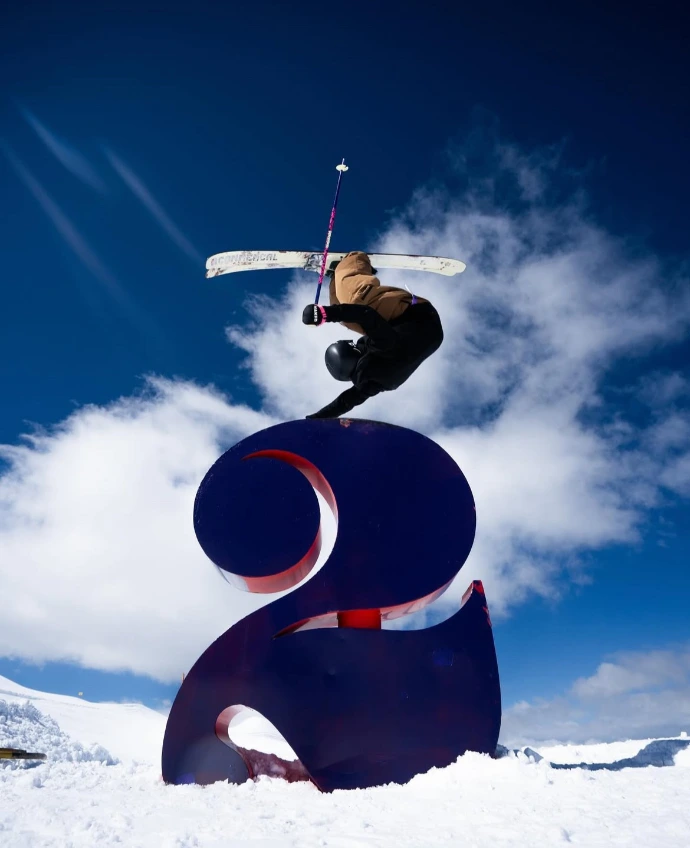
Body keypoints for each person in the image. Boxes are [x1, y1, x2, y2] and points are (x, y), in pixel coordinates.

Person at [301, 251, 444, 418]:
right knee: (357, 300)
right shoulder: (383, 347)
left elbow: (347, 401)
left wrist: (317, 419)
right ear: (352, 352)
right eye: (352, 345)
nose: (355, 343)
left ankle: (337, 276)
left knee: (347, 318)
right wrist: (325, 314)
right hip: (418, 314)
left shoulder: (371, 379)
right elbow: (365, 314)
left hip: (408, 327)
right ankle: (353, 261)